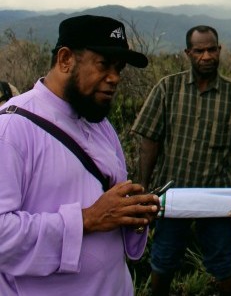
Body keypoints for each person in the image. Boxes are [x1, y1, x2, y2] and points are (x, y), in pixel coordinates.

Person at [0, 15, 159, 295]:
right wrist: (86, 219)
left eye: (119, 68)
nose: (115, 78)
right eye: (104, 65)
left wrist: (133, 213)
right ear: (65, 60)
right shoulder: (12, 128)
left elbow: (108, 207)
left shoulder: (99, 124)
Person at [132, 25, 231, 296]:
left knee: (224, 261)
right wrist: (143, 187)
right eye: (199, 50)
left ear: (219, 50)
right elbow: (150, 141)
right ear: (188, 53)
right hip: (172, 194)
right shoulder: (168, 88)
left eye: (211, 49)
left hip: (215, 196)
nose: (206, 56)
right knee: (163, 259)